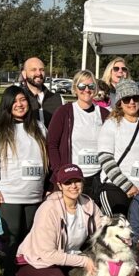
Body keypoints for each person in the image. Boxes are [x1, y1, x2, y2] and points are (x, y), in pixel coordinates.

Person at [0, 86, 50, 276]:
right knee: (11, 240)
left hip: (35, 194)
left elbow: (48, 161)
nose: (20, 104)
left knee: (30, 238)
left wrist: (47, 187)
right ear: (7, 104)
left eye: (23, 100)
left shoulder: (39, 127)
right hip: (10, 194)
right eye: (15, 101)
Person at [15, 164, 104, 276]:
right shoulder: (48, 209)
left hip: (68, 258)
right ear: (59, 186)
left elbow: (103, 234)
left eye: (77, 181)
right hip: (37, 261)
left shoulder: (89, 204)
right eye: (68, 183)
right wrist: (84, 261)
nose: (73, 186)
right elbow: (47, 254)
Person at [96, 79, 139, 215]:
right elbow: (105, 158)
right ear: (120, 103)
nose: (132, 102)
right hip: (116, 188)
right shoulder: (111, 124)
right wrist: (127, 186)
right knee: (118, 231)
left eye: (135, 98)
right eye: (127, 99)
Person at [47, 69, 109, 200]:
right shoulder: (64, 112)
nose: (86, 90)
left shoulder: (104, 114)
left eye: (91, 86)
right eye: (82, 86)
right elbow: (52, 144)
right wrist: (59, 172)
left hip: (97, 179)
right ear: (75, 88)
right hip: (71, 179)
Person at [17, 56, 63, 127]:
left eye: (41, 70)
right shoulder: (17, 100)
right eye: (33, 70)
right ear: (24, 74)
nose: (38, 73)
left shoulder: (59, 100)